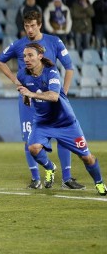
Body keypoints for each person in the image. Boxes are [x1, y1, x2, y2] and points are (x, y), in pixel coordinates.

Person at [0, 10, 85, 190]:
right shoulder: (19, 45)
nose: (30, 29)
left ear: (40, 25)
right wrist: (16, 81)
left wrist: (64, 92)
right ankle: (36, 178)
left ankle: (66, 179)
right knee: (30, 140)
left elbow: (69, 68)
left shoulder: (54, 41)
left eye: (33, 26)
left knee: (63, 137)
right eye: (27, 26)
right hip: (30, 101)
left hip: (52, 100)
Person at [16, 42, 107, 196]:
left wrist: (32, 94)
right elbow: (25, 93)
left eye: (30, 55)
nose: (26, 59)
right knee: (33, 148)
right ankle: (50, 167)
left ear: (40, 56)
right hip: (43, 122)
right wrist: (26, 96)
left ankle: (99, 183)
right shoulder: (22, 74)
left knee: (87, 158)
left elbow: (54, 96)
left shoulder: (51, 72)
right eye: (24, 56)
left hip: (65, 123)